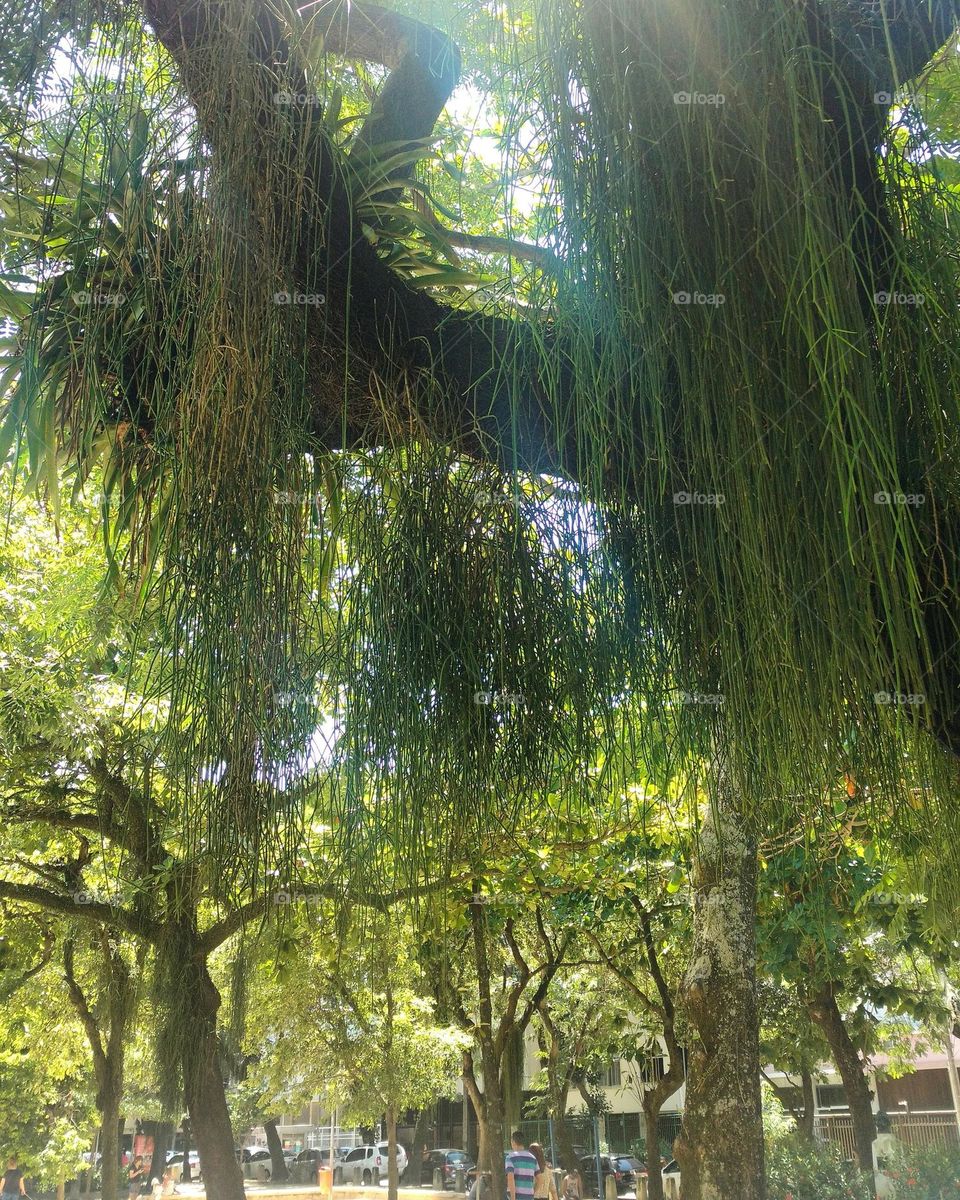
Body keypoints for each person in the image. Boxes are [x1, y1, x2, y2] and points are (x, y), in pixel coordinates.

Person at [505, 1132, 538, 1200]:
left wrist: (513, 1198)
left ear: (513, 1142)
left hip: (516, 1196)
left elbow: (510, 1178)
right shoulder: (533, 1158)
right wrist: (533, 1192)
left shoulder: (510, 1157)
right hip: (529, 1197)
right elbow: (540, 1179)